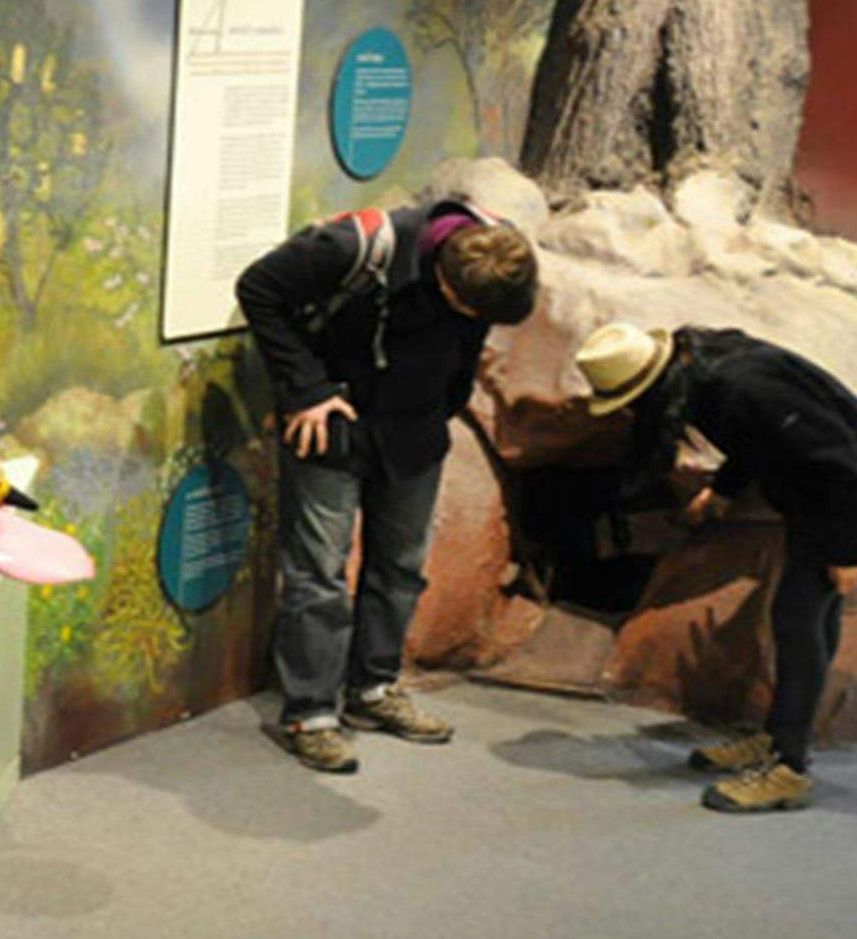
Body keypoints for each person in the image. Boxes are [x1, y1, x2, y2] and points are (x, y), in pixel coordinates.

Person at [236, 201, 539, 773]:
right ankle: (310, 713)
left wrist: (442, 407)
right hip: (336, 422)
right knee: (318, 573)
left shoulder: (502, 256)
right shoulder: (358, 247)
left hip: (416, 429)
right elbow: (259, 288)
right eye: (464, 308)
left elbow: (468, 342)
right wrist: (305, 389)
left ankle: (373, 690)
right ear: (442, 277)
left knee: (400, 565)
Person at [575, 323, 857, 812]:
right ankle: (776, 741)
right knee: (806, 618)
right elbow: (759, 440)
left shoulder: (740, 385)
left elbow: (839, 462)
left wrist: (846, 552)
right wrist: (724, 490)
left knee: (797, 620)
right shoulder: (701, 373)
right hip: (816, 497)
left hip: (839, 499)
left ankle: (787, 768)